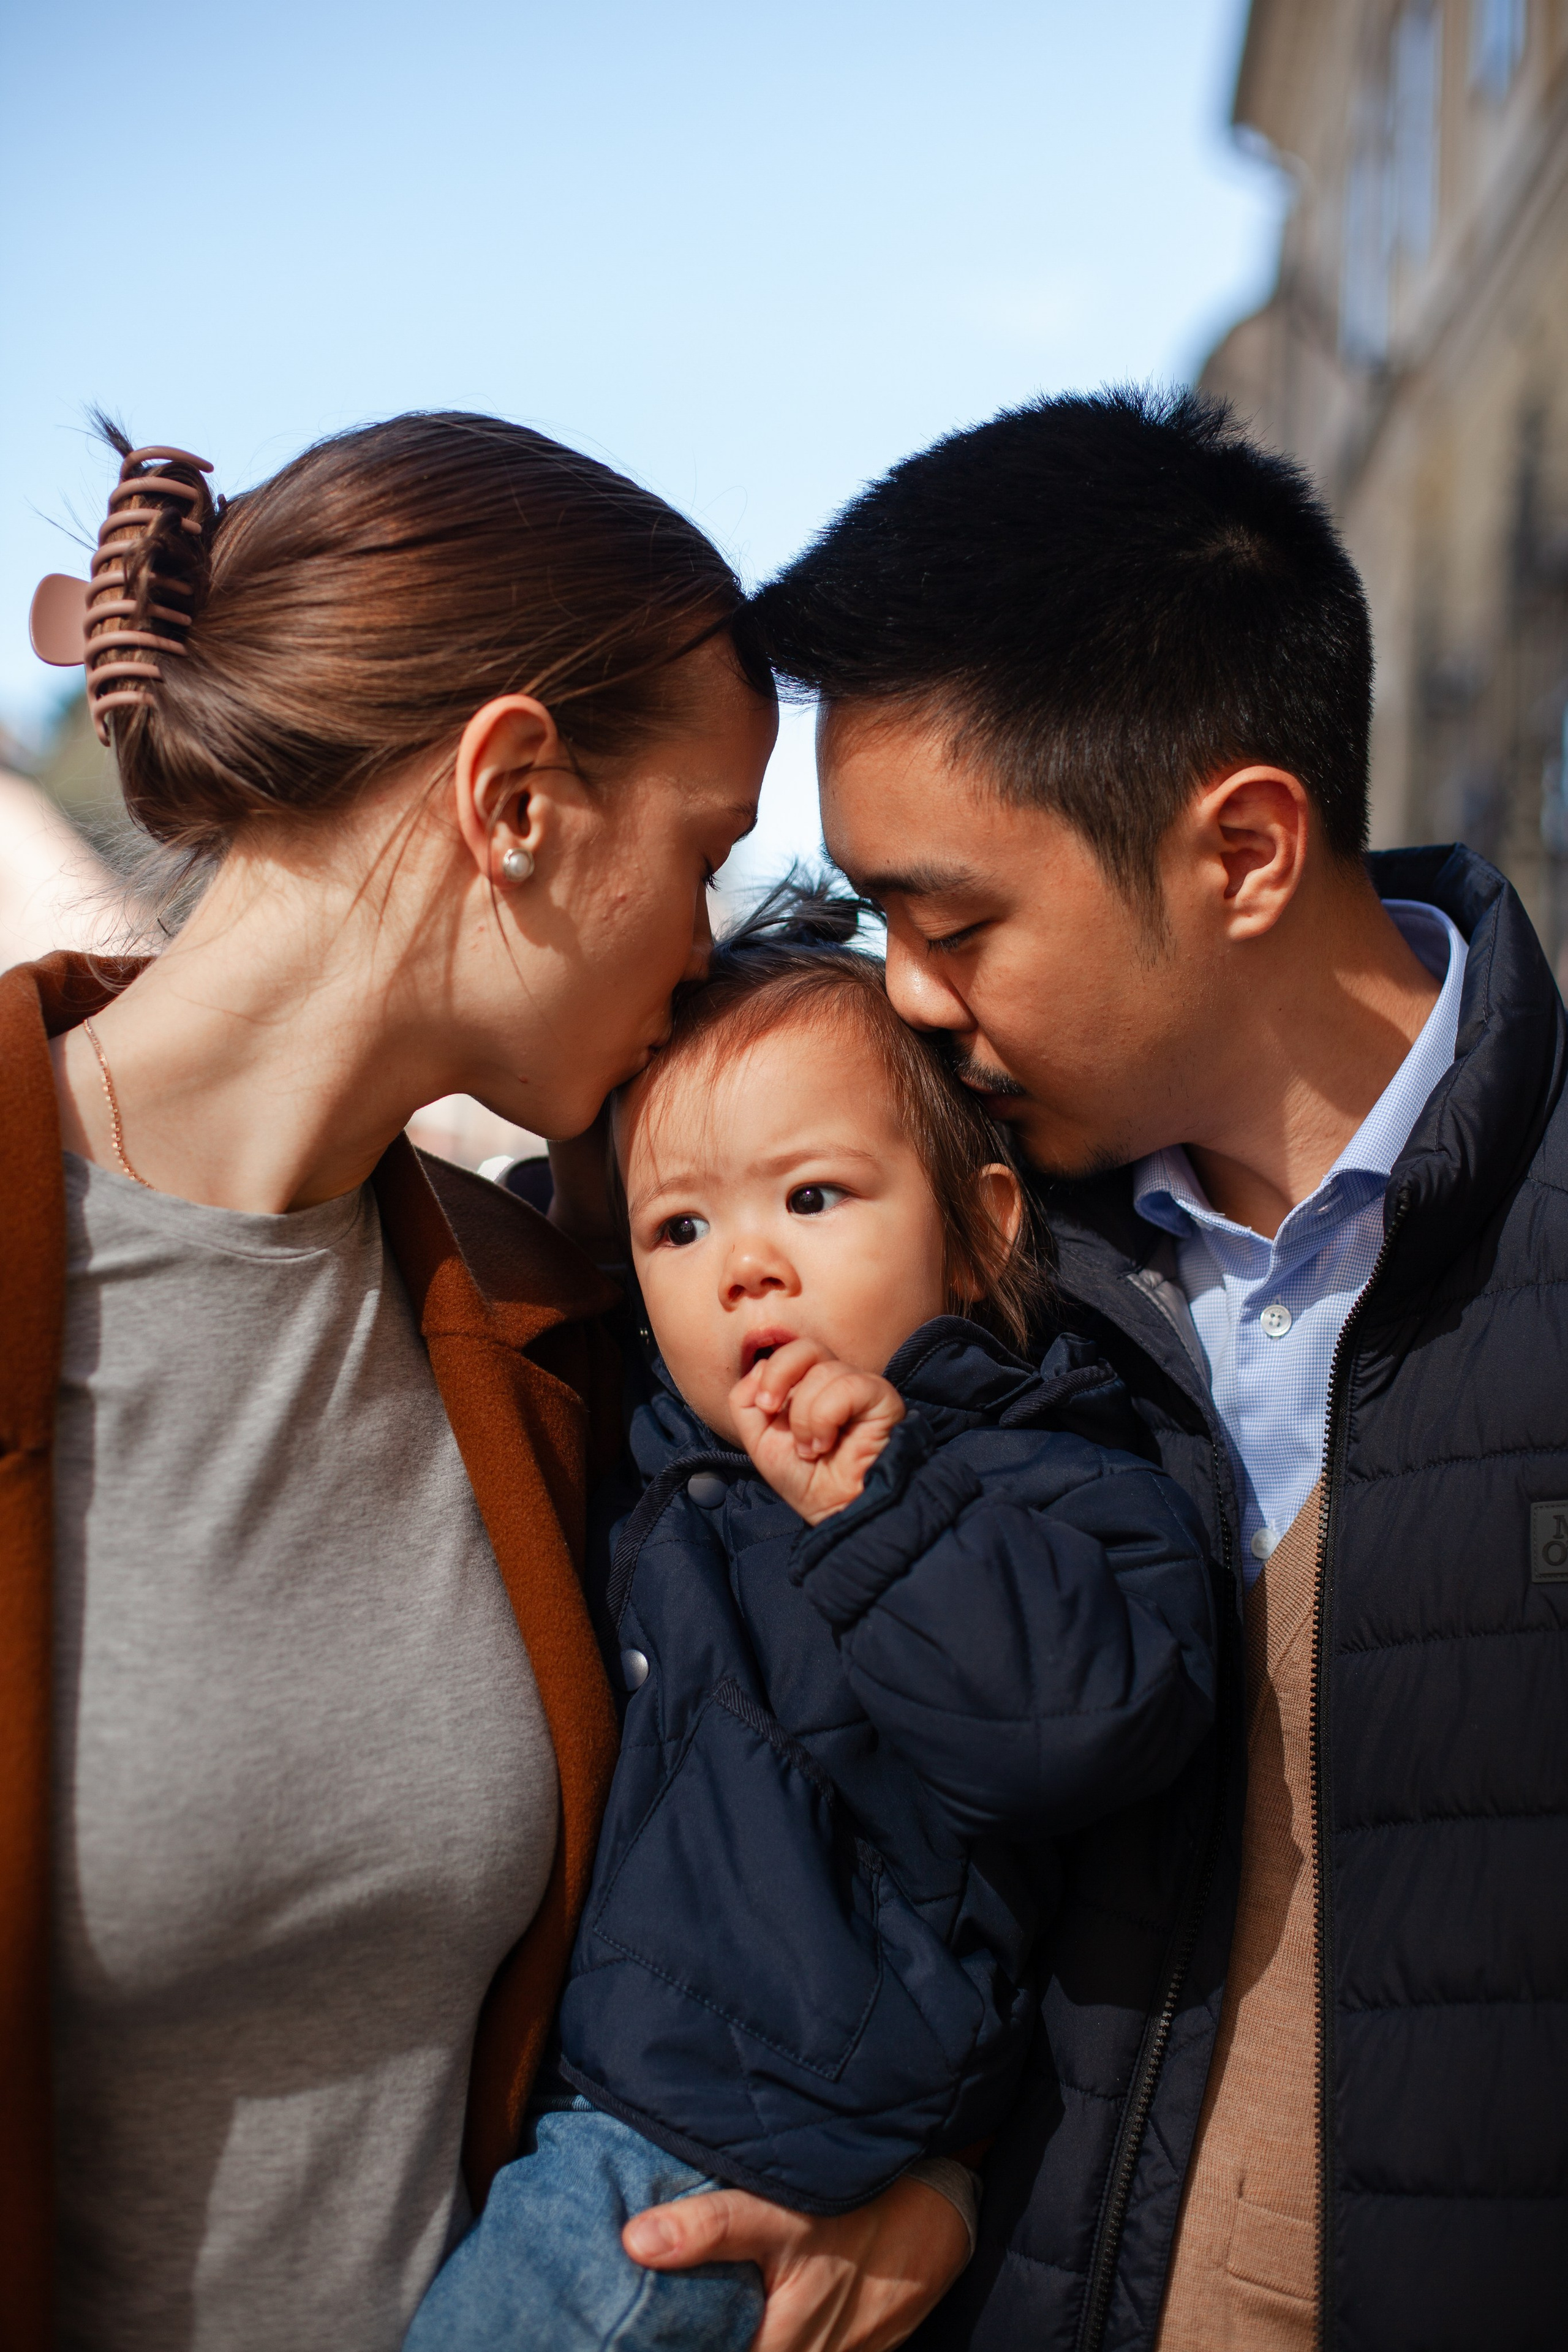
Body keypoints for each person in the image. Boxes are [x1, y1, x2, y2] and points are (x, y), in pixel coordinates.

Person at [722, 388, 1568, 2352]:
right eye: (874, 920)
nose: (904, 997)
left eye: (956, 923)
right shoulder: (946, 1261)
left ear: (1248, 848)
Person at [1, 413, 779, 2352]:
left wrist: (897, 2165)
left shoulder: (554, 1329)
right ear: (514, 793)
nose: (708, 950)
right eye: (703, 854)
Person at [405, 892, 1219, 2352]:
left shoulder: (1047, 1474)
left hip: (730, 2141)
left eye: (814, 1199)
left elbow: (1076, 1732)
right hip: (576, 2088)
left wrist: (883, 1509)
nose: (745, 1264)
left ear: (977, 1236)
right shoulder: (658, 1456)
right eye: (680, 1225)